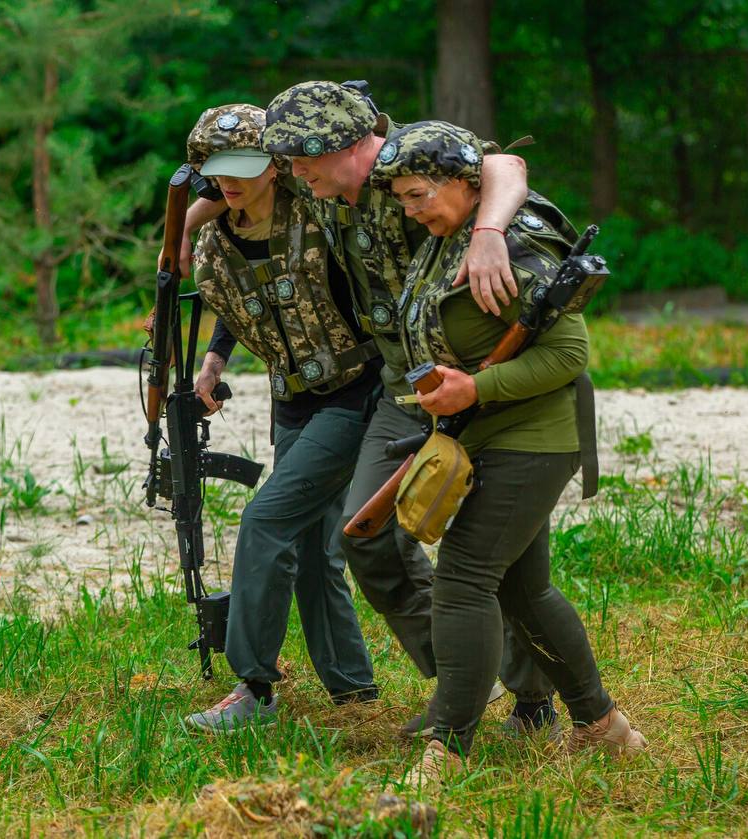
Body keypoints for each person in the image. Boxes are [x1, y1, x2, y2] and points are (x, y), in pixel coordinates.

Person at [257, 81, 562, 740]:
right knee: (366, 534)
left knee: (497, 559)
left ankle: (536, 703)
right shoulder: (324, 191)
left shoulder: (410, 159)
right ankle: (461, 679)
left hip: (477, 376)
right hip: (403, 391)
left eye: (299, 159)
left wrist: (488, 233)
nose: (293, 173)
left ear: (340, 144)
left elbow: (505, 166)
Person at [368, 120, 647, 790]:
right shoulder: (447, 238)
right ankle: (605, 727)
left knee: (464, 579)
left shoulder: (515, 244)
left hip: (532, 441)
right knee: (524, 589)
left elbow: (569, 355)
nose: (410, 210)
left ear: (465, 185)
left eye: (417, 195)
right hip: (485, 437)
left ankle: (447, 746)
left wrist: (477, 386)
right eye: (401, 199)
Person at [180, 104, 381, 732]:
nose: (229, 181)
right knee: (318, 551)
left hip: (355, 391)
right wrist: (213, 360)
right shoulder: (214, 244)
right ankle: (353, 691)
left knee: (267, 519)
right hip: (290, 399)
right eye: (216, 170)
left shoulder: (320, 211)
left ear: (276, 163)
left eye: (244, 167)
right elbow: (247, 304)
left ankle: (254, 687)